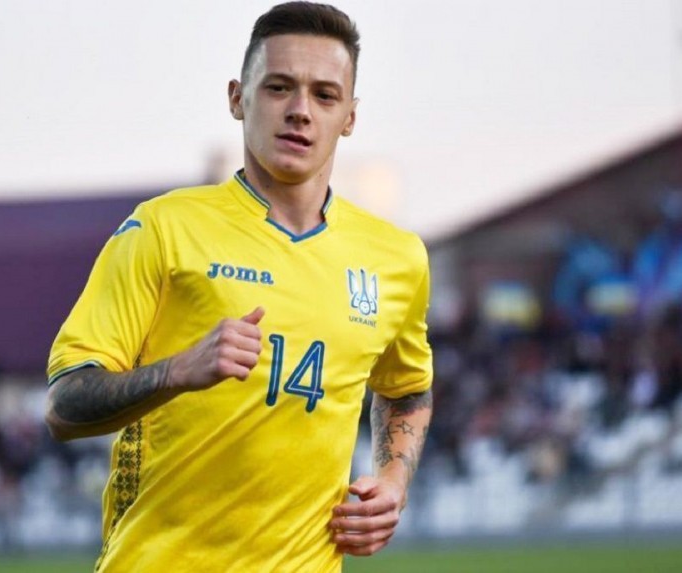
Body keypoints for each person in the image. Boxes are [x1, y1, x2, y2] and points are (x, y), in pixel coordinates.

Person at [44, 3, 432, 571]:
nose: (300, 111)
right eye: (279, 87)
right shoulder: (163, 229)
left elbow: (407, 389)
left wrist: (393, 480)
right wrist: (178, 370)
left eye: (325, 95)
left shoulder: (396, 259)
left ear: (349, 116)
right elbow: (64, 406)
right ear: (237, 98)